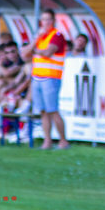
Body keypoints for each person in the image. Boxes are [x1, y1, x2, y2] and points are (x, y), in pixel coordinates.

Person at [21, 9, 69, 149]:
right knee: (43, 111)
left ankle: (63, 141)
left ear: (53, 21)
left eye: (48, 19)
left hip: (51, 77)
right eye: (43, 19)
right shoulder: (40, 37)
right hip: (38, 77)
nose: (45, 22)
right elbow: (24, 54)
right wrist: (35, 41)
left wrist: (34, 50)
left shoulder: (57, 35)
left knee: (52, 110)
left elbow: (48, 52)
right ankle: (47, 141)